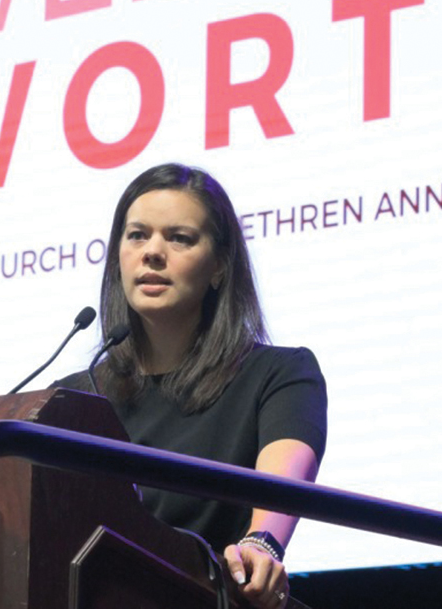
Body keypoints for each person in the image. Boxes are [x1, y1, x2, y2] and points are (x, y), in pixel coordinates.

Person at [57, 163, 327, 609]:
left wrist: (261, 546)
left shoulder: (278, 374)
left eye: (179, 238)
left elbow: (283, 485)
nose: (152, 252)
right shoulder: (75, 397)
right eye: (137, 235)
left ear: (219, 265)